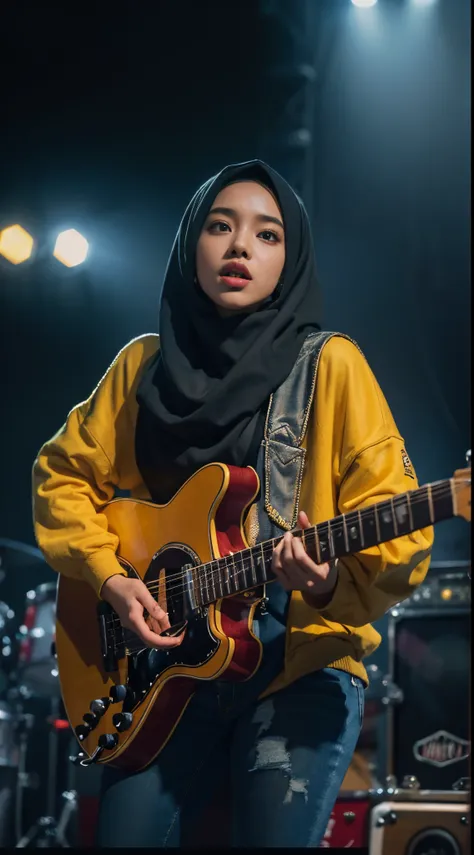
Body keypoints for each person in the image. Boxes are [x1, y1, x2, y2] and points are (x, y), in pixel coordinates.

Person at [32, 160, 433, 848]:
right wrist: (112, 578)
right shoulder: (141, 368)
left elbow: (398, 526)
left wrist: (327, 578)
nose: (241, 246)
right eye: (220, 226)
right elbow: (61, 476)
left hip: (297, 668)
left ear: (293, 256)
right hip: (156, 677)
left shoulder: (331, 366)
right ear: (192, 244)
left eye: (267, 234)